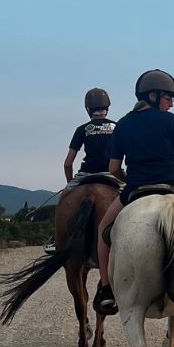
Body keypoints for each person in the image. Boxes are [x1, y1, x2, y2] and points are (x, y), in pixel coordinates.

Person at [93, 69, 174, 314]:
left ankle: (105, 288)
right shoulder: (169, 121)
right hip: (172, 185)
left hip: (135, 189)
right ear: (154, 95)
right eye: (169, 98)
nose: (171, 104)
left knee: (104, 231)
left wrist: (127, 180)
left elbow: (114, 168)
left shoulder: (123, 124)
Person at [43, 88, 117, 253]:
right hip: (111, 175)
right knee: (131, 200)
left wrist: (70, 185)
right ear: (108, 107)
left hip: (85, 175)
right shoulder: (118, 127)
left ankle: (56, 239)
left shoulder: (82, 129)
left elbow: (68, 163)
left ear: (88, 109)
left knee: (64, 199)